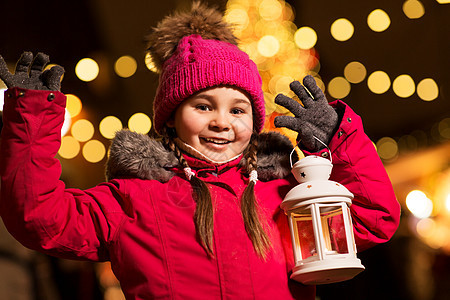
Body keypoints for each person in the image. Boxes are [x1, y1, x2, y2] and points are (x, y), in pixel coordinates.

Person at [0, 2, 400, 299]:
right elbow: (40, 218)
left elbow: (373, 218)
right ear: (171, 117)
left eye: (238, 109)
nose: (222, 122)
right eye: (203, 106)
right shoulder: (132, 199)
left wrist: (341, 138)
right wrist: (31, 121)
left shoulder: (285, 194)